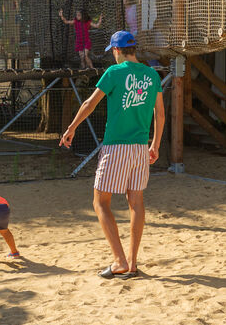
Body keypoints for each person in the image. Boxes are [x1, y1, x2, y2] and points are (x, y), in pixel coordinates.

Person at [60, 30, 165, 279]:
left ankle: (119, 261)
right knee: (136, 202)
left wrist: (71, 128)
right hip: (141, 147)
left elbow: (89, 104)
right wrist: (155, 144)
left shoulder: (114, 72)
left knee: (100, 202)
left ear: (116, 51)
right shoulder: (152, 75)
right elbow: (159, 114)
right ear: (134, 49)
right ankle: (133, 263)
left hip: (116, 146)